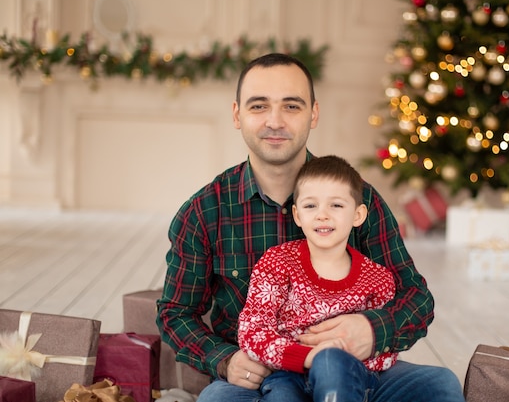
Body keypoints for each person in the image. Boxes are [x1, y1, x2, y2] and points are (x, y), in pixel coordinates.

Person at [156, 52, 464, 402]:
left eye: (291, 106)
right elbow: (176, 313)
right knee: (218, 401)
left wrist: (372, 330)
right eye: (259, 106)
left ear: (313, 114)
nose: (275, 121)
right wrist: (224, 360)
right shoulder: (204, 211)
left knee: (440, 386)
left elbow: (416, 297)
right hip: (261, 375)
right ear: (237, 114)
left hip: (355, 369)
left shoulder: (356, 199)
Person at [238, 155, 397, 402]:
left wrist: (338, 355)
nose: (322, 215)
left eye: (336, 205)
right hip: (286, 374)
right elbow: (253, 330)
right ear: (298, 215)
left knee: (434, 382)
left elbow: (387, 350)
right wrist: (309, 357)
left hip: (350, 374)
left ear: (358, 215)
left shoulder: (377, 279)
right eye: (311, 206)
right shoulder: (277, 263)